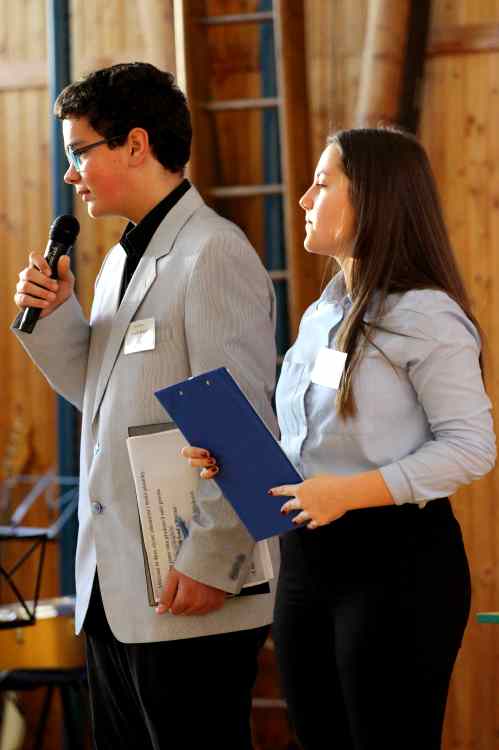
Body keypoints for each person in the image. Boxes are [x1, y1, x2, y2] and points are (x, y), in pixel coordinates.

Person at [183, 127, 496, 750]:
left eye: (322, 184)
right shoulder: (322, 312)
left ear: (373, 200)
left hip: (397, 567)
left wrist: (348, 494)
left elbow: (471, 447)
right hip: (305, 563)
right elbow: (312, 443)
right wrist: (237, 459)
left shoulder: (426, 315)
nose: (303, 199)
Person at [12, 62, 280, 750]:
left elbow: (243, 428)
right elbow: (102, 400)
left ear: (135, 144)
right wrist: (57, 315)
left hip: (189, 583)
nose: (70, 174)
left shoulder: (210, 253)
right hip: (118, 587)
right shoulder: (120, 262)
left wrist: (211, 560)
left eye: (80, 152)